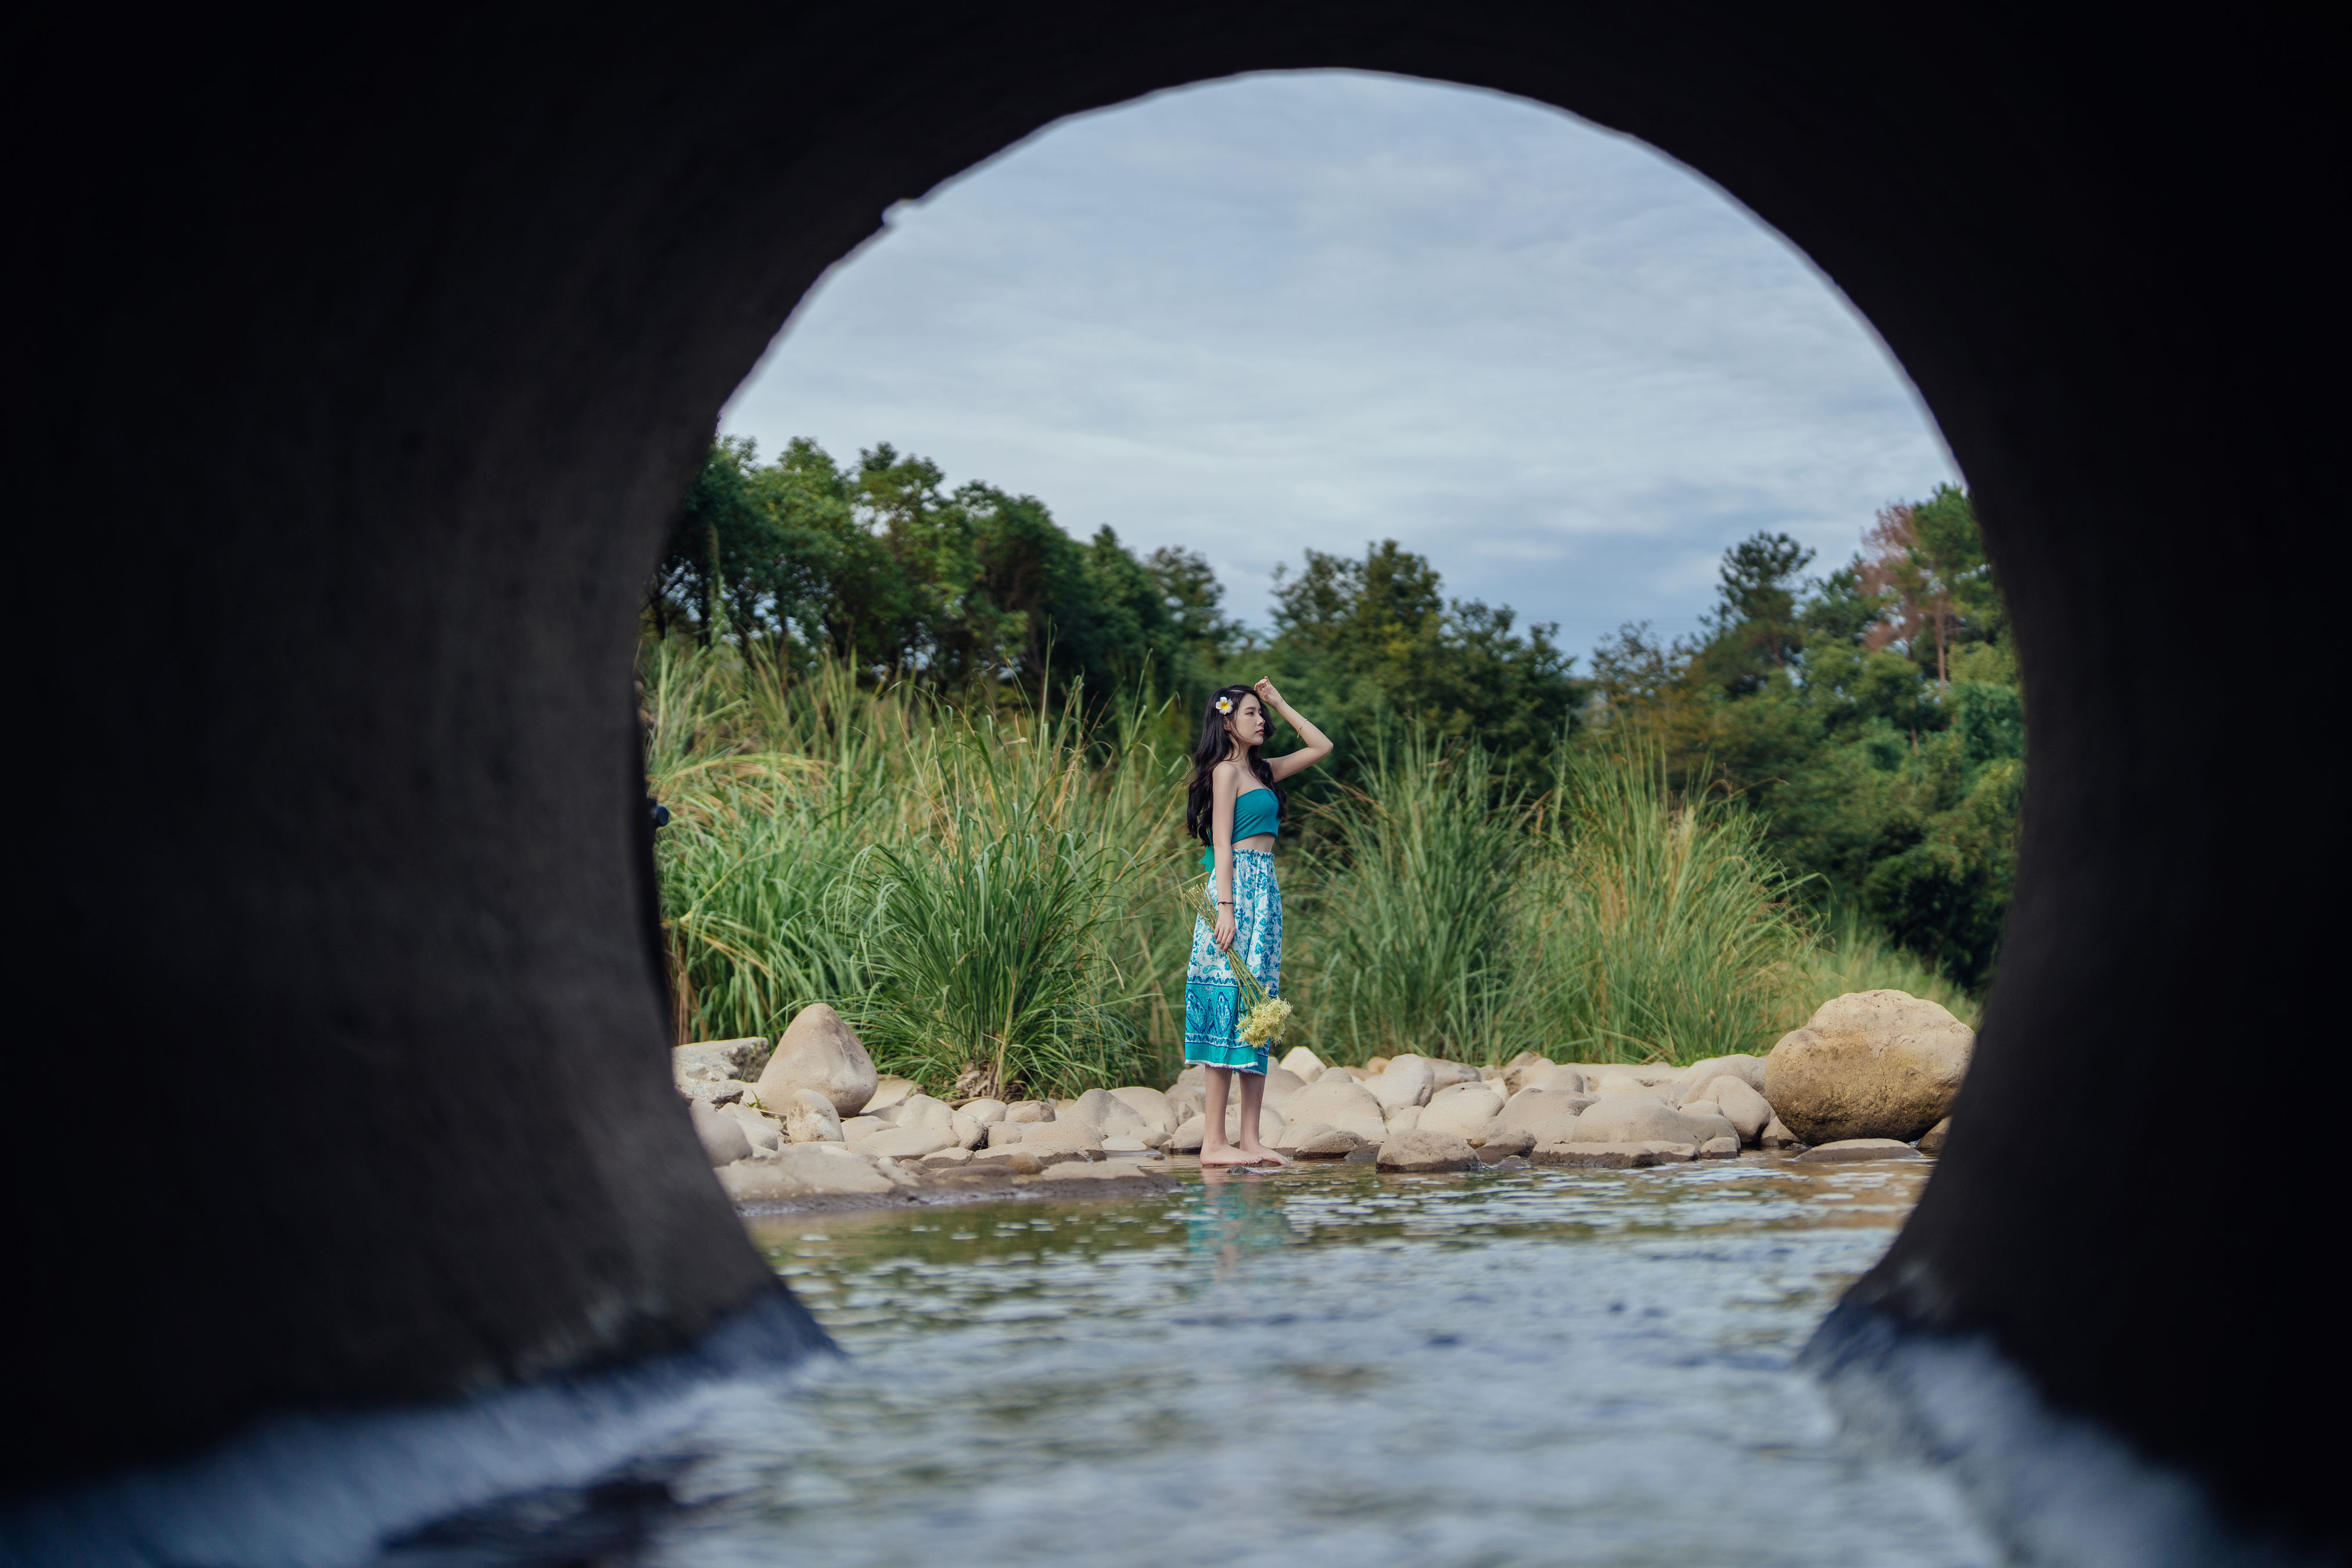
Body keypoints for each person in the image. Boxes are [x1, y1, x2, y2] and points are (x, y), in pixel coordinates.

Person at [1182, 678, 1333, 1167]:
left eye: (1258, 713)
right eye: (1249, 713)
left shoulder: (1263, 770)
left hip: (1265, 892)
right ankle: (1213, 1143)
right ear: (1227, 721)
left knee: (1257, 1011)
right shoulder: (1226, 772)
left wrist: (1280, 702)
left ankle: (1249, 1140)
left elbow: (1321, 745)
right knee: (1226, 1005)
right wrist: (1225, 909)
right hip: (1235, 893)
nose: (1259, 720)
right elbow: (1221, 845)